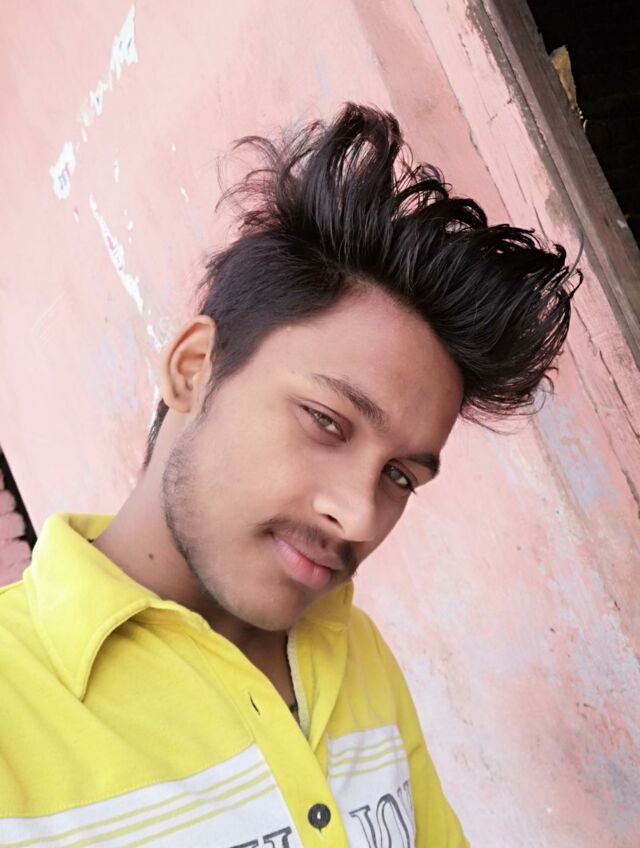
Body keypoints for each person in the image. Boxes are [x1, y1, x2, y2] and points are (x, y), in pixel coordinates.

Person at [0, 104, 579, 847]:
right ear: (192, 369)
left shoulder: (351, 648)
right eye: (326, 422)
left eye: (400, 476)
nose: (360, 516)